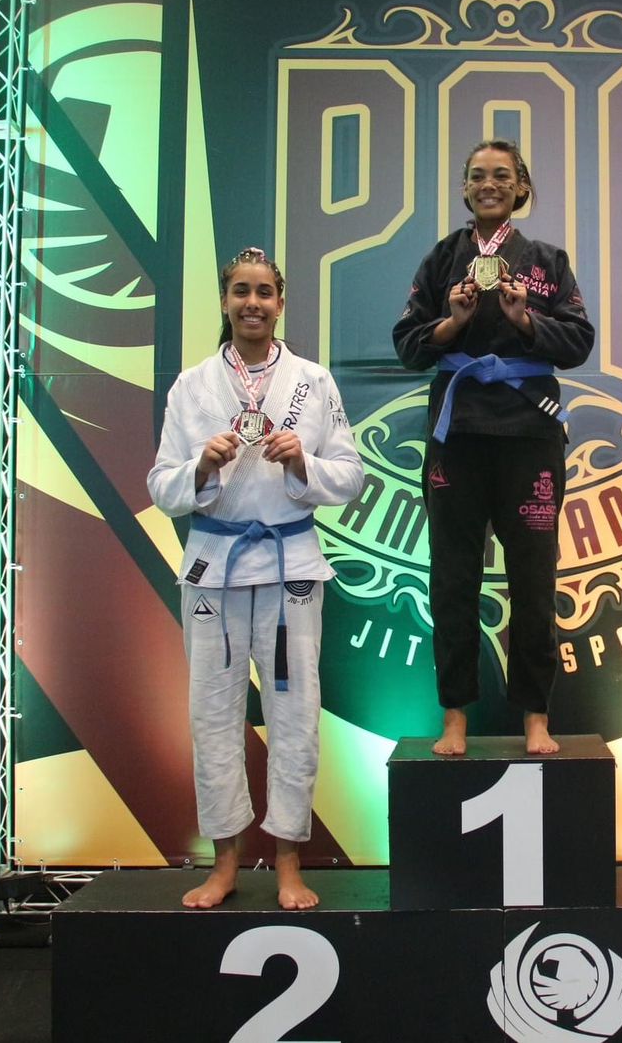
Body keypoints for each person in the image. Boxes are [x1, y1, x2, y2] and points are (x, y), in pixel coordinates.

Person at [147, 247, 365, 909]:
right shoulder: (192, 386)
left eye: (264, 292)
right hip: (214, 567)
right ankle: (225, 863)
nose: (252, 303)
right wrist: (200, 469)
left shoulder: (313, 383)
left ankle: (290, 861)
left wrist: (303, 463)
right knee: (212, 713)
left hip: (289, 566)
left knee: (294, 712)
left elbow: (351, 477)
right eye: (241, 291)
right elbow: (161, 486)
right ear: (224, 300)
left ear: (281, 303)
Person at [392, 139, 595, 757]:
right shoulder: (442, 259)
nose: (488, 184)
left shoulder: (547, 261)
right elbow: (407, 343)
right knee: (452, 577)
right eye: (477, 175)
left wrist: (526, 319)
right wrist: (452, 323)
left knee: (534, 580)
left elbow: (579, 342)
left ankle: (536, 714)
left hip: (528, 435)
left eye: (501, 175)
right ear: (465, 189)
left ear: (520, 187)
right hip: (457, 437)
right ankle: (454, 715)